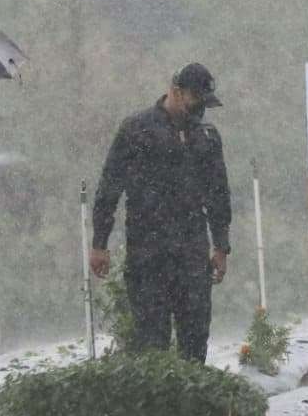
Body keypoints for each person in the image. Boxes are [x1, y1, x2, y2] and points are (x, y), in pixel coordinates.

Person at [90, 63, 231, 363]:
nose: (200, 111)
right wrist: (99, 242)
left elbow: (218, 195)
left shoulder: (206, 137)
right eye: (196, 101)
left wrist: (221, 246)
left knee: (194, 339)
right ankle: (158, 407)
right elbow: (109, 188)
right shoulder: (137, 130)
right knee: (151, 342)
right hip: (147, 252)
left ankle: (193, 405)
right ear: (176, 92)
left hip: (192, 253)